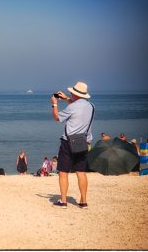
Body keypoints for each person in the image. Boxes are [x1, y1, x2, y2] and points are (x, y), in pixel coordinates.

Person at [51, 81, 94, 209]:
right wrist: (67, 99)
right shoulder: (91, 106)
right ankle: (83, 201)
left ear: (75, 94)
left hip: (68, 142)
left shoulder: (72, 107)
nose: (70, 94)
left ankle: (63, 201)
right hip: (83, 141)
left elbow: (57, 118)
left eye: (71, 93)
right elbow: (77, 108)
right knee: (81, 172)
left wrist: (54, 103)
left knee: (63, 172)